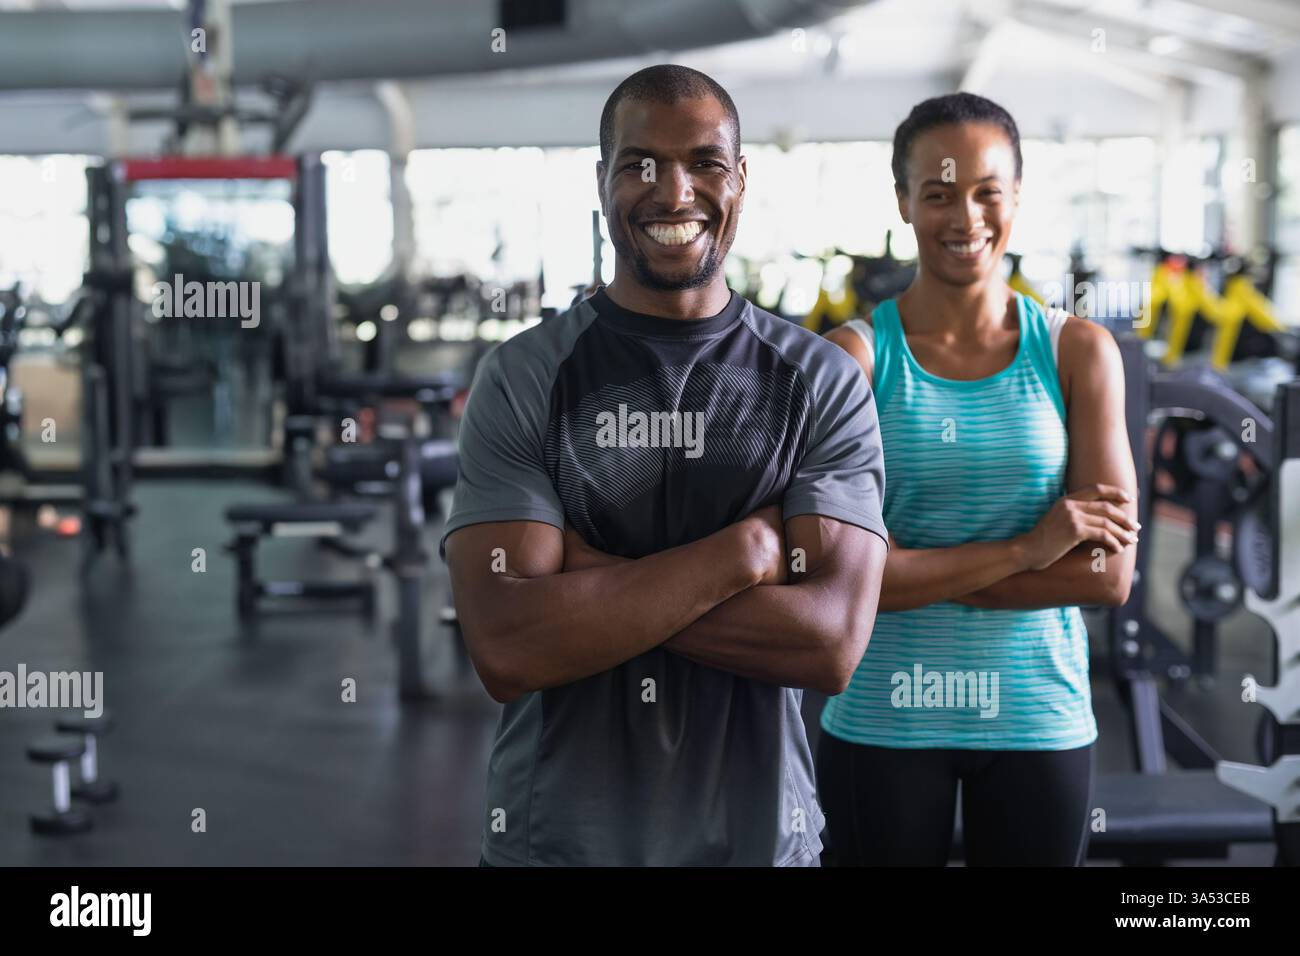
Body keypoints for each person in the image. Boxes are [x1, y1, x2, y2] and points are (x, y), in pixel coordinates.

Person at [442, 64, 889, 867]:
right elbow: (508, 647)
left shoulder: (820, 382)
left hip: (761, 846)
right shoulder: (525, 376)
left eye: (705, 163)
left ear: (740, 180)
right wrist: (742, 556)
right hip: (557, 848)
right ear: (604, 180)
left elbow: (827, 645)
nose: (674, 192)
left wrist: (593, 581)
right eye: (641, 163)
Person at [817, 92, 1139, 867]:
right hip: (885, 716)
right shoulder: (852, 360)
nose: (966, 218)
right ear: (903, 202)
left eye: (988, 191)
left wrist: (908, 568)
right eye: (938, 193)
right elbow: (842, 577)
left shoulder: (1079, 353)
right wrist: (1033, 549)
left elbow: (1105, 573)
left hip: (1038, 717)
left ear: (1017, 197)